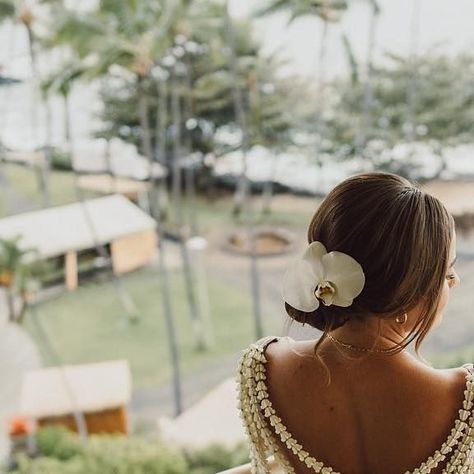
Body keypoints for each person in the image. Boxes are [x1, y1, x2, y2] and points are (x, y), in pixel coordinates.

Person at [237, 173, 472, 474]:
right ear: (408, 290)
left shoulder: (261, 368)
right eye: (447, 271)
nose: (455, 281)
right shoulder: (463, 399)